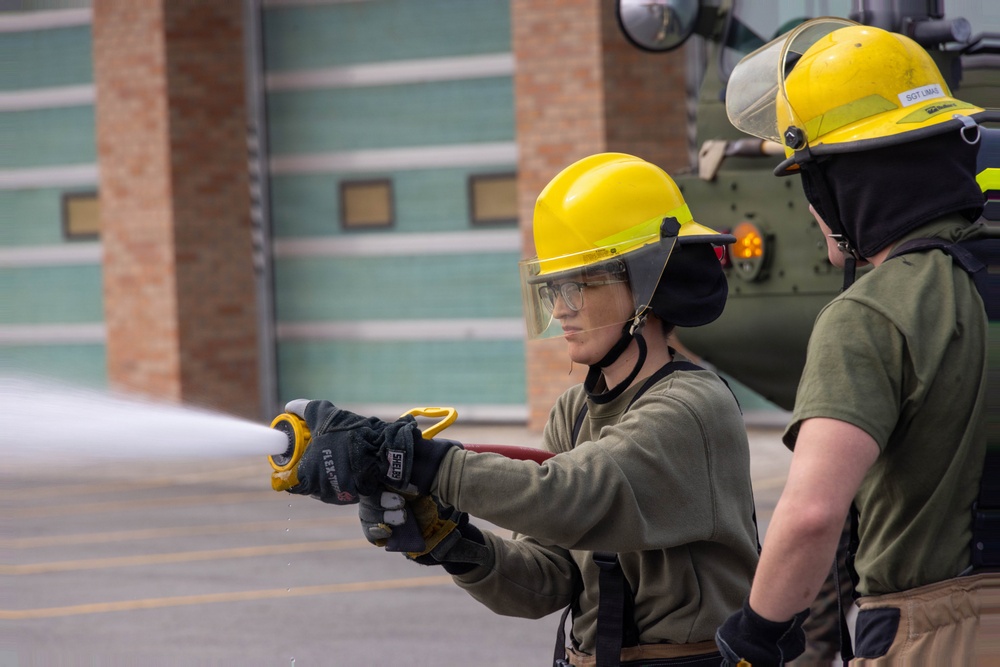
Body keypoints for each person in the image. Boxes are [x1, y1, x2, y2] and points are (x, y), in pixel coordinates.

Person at [275, 153, 761, 666]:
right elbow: (545, 581)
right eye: (554, 288)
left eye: (578, 284)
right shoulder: (576, 412)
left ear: (645, 283)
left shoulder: (693, 407)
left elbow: (574, 497)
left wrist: (417, 462)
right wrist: (452, 541)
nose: (560, 309)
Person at [715, 18, 998, 665]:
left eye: (809, 183)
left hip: (942, 631)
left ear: (839, 186)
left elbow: (814, 512)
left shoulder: (872, 313)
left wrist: (756, 635)